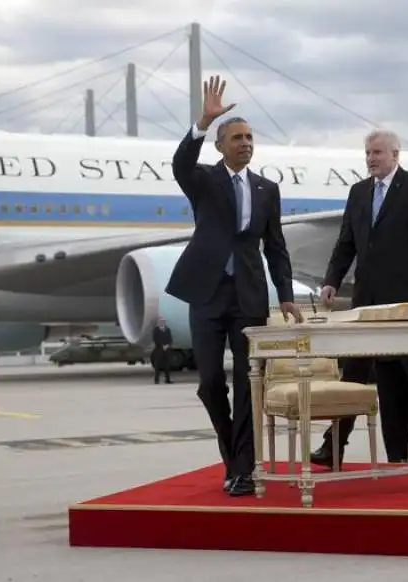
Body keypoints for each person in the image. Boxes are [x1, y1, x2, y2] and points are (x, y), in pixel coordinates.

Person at [166, 76, 303, 497]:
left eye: (249, 138)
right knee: (211, 383)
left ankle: (242, 469)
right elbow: (180, 165)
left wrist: (286, 295)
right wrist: (203, 121)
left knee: (249, 382)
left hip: (248, 295)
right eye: (237, 138)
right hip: (206, 293)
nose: (246, 143)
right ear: (221, 144)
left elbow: (275, 247)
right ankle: (233, 458)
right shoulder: (204, 179)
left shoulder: (267, 189)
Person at [310, 128, 408, 467]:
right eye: (368, 154)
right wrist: (331, 280)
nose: (371, 159)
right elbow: (346, 242)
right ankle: (338, 446)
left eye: (377, 153)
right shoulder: (358, 192)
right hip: (367, 301)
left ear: (395, 155)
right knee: (356, 375)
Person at [151, 318, 173, 384]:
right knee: (157, 365)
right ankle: (156, 380)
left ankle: (167, 379)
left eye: (163, 321)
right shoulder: (156, 330)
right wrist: (161, 346)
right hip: (158, 350)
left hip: (167, 350)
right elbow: (155, 339)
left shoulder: (168, 329)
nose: (162, 322)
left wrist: (167, 345)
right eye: (161, 321)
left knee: (167, 365)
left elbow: (170, 339)